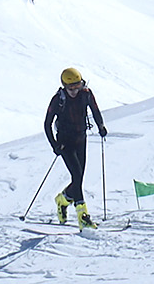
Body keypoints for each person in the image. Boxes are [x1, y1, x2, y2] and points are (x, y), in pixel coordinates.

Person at [44, 67, 107, 226]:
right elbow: (47, 124)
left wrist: (101, 126)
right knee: (77, 175)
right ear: (64, 86)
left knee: (78, 178)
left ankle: (62, 200)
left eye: (77, 86)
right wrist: (54, 145)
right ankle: (83, 216)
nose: (74, 90)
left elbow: (95, 110)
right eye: (70, 87)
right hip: (66, 142)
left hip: (81, 139)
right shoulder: (58, 99)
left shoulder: (86, 94)